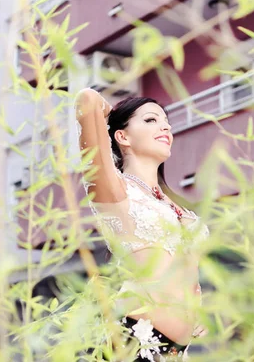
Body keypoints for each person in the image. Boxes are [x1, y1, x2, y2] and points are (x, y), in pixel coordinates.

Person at [75, 88, 210, 361]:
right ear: (122, 136)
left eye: (166, 122)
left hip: (176, 351)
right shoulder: (114, 190)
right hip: (133, 340)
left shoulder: (176, 206)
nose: (165, 126)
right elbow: (87, 100)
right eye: (151, 120)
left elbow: (189, 273)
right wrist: (111, 114)